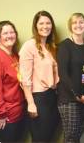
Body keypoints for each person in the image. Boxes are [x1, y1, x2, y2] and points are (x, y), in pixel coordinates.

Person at [19, 10, 60, 142]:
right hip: (38, 99)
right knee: (40, 139)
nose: (45, 26)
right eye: (41, 23)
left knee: (49, 138)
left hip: (53, 97)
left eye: (48, 23)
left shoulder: (51, 45)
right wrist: (31, 103)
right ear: (35, 26)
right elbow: (25, 79)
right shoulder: (29, 46)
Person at [56, 13, 84, 143]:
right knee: (71, 136)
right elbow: (63, 74)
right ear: (70, 26)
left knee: (77, 135)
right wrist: (78, 95)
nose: (78, 25)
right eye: (74, 23)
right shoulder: (65, 46)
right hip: (69, 98)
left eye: (81, 22)